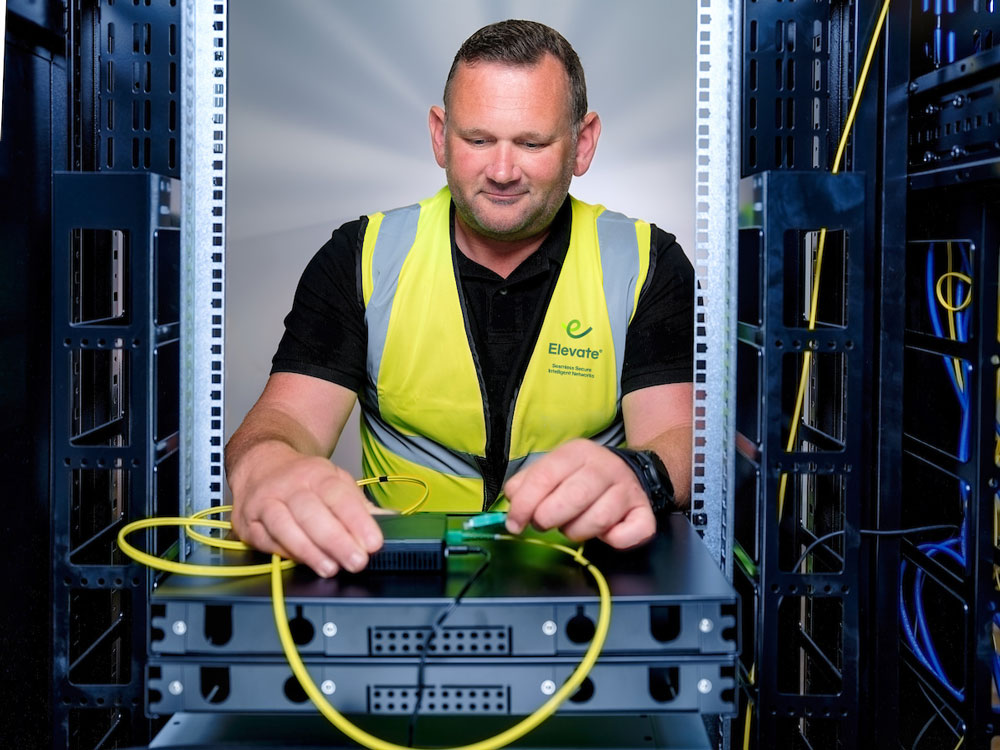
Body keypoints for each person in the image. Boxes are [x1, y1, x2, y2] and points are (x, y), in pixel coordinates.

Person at [224, 19, 694, 579]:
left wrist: (638, 474)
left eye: (531, 142)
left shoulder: (646, 262)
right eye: (477, 140)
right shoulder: (363, 256)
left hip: (581, 577)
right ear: (439, 136)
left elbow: (676, 436)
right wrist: (267, 468)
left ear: (583, 143)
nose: (501, 170)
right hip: (394, 578)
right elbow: (283, 419)